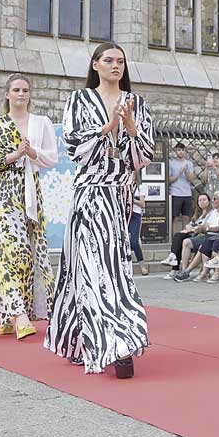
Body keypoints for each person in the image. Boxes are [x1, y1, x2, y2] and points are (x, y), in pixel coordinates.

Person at [45, 42, 155, 378]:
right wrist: (108, 127)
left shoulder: (136, 103)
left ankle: (112, 338)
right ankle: (109, 344)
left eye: (120, 61)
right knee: (90, 268)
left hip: (120, 197)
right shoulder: (79, 100)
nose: (115, 66)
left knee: (115, 269)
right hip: (88, 195)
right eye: (108, 60)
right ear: (95, 65)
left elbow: (142, 157)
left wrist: (131, 128)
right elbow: (76, 149)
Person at [0, 74, 59, 340]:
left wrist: (32, 153)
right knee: (10, 250)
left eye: (25, 90)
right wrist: (16, 154)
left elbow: (51, 159)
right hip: (0, 195)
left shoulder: (41, 123)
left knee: (24, 254)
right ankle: (19, 315)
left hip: (29, 193)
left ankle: (9, 311)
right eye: (16, 90)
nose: (21, 94)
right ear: (7, 94)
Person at [166, 142, 197, 252]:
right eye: (179, 150)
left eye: (183, 150)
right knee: (175, 218)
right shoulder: (171, 163)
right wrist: (180, 173)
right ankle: (175, 238)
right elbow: (169, 180)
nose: (181, 152)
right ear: (175, 151)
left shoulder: (189, 163)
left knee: (186, 217)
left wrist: (186, 172)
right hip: (175, 192)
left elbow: (191, 179)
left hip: (187, 193)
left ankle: (186, 237)